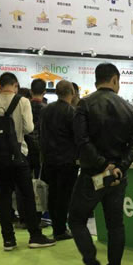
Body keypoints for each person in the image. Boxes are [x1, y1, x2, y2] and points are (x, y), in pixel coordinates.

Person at [68, 63, 133, 265]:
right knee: (115, 226)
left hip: (93, 175)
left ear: (96, 80)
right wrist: (119, 167)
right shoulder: (128, 108)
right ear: (115, 79)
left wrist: (103, 165)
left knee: (76, 219)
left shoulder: (84, 105)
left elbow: (81, 141)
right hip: (117, 177)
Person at [0, 72, 54, 251]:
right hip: (19, 154)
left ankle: (8, 239)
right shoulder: (23, 101)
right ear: (15, 85)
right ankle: (35, 235)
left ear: (0, 85)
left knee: (4, 196)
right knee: (27, 195)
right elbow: (29, 128)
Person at [40, 80, 79, 242]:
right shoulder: (72, 112)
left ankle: (56, 226)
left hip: (49, 159)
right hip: (67, 160)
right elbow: (77, 136)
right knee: (64, 196)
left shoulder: (46, 110)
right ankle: (61, 229)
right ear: (72, 93)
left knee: (53, 194)